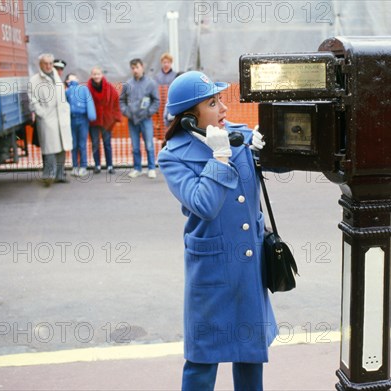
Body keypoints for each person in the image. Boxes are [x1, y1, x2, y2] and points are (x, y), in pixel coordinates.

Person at [157, 71, 274, 390]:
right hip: (211, 268)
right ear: (189, 119)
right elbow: (203, 204)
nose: (223, 108)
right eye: (212, 102)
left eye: (220, 99)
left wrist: (275, 146)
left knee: (251, 355)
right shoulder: (172, 157)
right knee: (202, 360)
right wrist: (219, 158)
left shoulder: (237, 135)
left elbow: (283, 164)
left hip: (248, 263)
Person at [28, 53, 72, 187]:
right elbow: (33, 100)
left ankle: (59, 175)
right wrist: (42, 114)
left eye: (50, 63)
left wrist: (66, 109)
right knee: (49, 150)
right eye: (45, 63)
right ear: (40, 64)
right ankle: (48, 176)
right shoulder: (34, 80)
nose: (48, 66)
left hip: (61, 118)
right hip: (48, 119)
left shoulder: (56, 76)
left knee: (62, 149)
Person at [119, 58, 160, 178]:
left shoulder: (150, 83)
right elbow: (122, 100)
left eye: (137, 67)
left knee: (149, 145)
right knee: (135, 146)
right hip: (132, 120)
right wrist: (126, 112)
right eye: (133, 68)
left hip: (146, 119)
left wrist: (148, 113)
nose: (135, 70)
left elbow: (156, 101)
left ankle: (151, 168)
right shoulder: (128, 84)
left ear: (142, 67)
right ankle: (137, 168)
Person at [88, 66, 122, 174]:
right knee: (95, 143)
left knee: (107, 143)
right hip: (93, 120)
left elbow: (116, 100)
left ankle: (110, 165)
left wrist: (115, 116)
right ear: (91, 75)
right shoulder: (87, 88)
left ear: (102, 75)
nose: (96, 76)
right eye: (94, 74)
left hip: (106, 120)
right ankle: (97, 165)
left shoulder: (109, 87)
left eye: (98, 74)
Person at [65, 73, 96, 177]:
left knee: (82, 144)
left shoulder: (83, 89)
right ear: (67, 81)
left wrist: (91, 115)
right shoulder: (67, 91)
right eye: (70, 78)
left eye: (74, 77)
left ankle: (83, 166)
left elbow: (89, 101)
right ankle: (75, 166)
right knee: (74, 145)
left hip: (83, 119)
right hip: (72, 120)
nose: (73, 79)